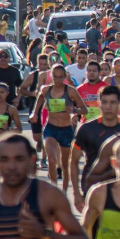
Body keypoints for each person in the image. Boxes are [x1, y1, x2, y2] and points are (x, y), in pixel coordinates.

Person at [32, 63, 87, 191]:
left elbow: (84, 110)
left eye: (60, 77)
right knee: (51, 159)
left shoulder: (71, 91)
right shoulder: (46, 90)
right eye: (55, 77)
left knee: (65, 164)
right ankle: (53, 190)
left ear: (65, 77)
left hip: (66, 129)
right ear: (51, 76)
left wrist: (73, 110)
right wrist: (34, 113)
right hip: (51, 128)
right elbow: (39, 99)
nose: (58, 80)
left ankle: (63, 191)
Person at [70, 85, 120, 210]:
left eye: (113, 102)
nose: (108, 107)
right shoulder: (87, 129)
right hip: (92, 187)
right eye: (105, 102)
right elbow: (73, 161)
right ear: (98, 103)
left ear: (119, 104)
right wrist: (76, 193)